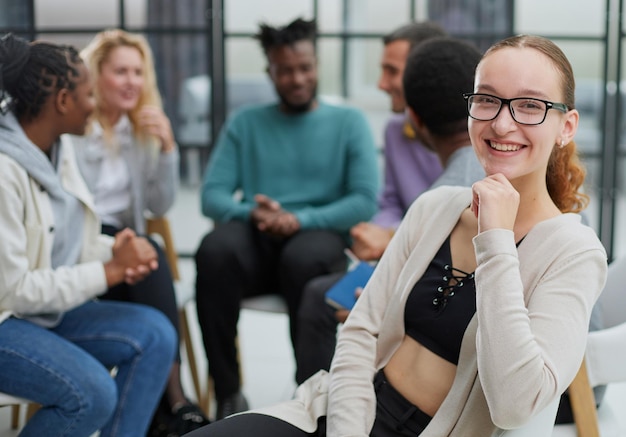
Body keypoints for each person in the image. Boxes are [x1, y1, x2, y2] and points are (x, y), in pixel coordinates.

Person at [185, 34, 608, 437]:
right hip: (342, 412)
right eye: (486, 100)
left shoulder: (573, 252)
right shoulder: (436, 207)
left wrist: (496, 239)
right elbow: (360, 333)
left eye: (530, 105)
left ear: (566, 126)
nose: (500, 123)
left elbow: (514, 403)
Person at [194, 17, 379, 420]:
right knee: (214, 249)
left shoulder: (348, 123)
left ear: (316, 66)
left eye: (304, 68)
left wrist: (300, 219)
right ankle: (228, 391)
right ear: (271, 72)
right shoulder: (246, 122)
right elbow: (212, 197)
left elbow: (364, 200)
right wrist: (254, 213)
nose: (297, 78)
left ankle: (309, 396)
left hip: (316, 242)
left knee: (304, 256)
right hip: (258, 244)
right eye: (285, 70)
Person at [0, 33, 177, 436]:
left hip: (38, 315)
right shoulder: (5, 169)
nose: (94, 106)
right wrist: (111, 271)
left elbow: (58, 242)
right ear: (63, 102)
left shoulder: (54, 149)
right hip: (5, 320)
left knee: (155, 333)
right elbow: (13, 291)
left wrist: (115, 250)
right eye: (88, 95)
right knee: (92, 393)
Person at [295, 21, 483, 384]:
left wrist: (388, 296)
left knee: (333, 300)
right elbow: (392, 201)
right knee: (322, 295)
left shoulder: (456, 191)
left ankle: (338, 403)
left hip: (515, 372)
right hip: (538, 353)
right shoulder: (488, 162)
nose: (382, 83)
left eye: (392, 71)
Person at [70, 29, 209, 435]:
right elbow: (74, 208)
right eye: (121, 72)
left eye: (138, 72)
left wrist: (167, 148)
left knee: (148, 250)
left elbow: (160, 205)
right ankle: (175, 401)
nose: (132, 81)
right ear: (97, 77)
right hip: (85, 244)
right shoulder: (77, 131)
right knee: (150, 249)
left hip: (127, 248)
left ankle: (162, 410)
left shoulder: (137, 131)